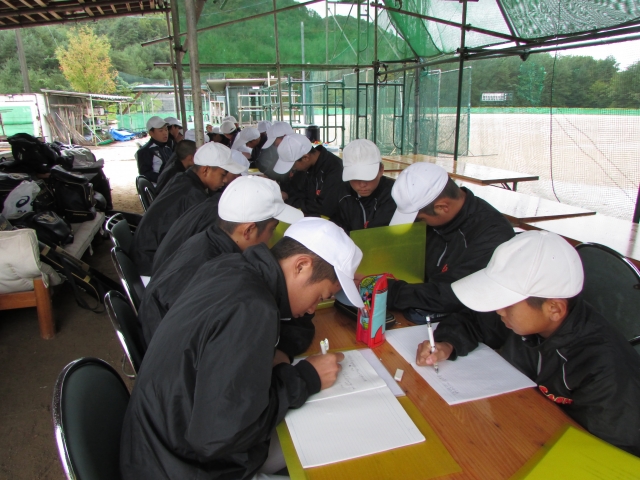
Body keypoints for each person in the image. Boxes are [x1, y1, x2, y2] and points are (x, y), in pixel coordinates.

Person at [120, 218, 364, 479]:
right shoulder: (253, 308)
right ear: (301, 265)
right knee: (330, 446)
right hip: (182, 466)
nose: (313, 309)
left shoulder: (232, 267)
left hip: (156, 445)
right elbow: (220, 435)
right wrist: (306, 378)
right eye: (321, 297)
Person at [417, 231, 640, 456]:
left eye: (507, 303)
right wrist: (447, 343)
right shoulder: (527, 317)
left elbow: (610, 453)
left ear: (554, 308)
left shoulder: (604, 370)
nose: (498, 310)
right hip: (517, 426)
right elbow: (475, 320)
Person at [138, 175, 304, 348]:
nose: (271, 238)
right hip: (165, 345)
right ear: (248, 230)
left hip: (153, 330)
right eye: (272, 229)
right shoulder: (221, 268)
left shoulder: (205, 240)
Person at [384, 162, 514, 316]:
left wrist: (388, 291)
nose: (418, 223)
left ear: (442, 207)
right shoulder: (441, 219)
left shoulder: (492, 235)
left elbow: (453, 294)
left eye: (421, 219)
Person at [130, 143, 246, 276]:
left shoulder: (181, 179)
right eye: (223, 174)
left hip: (145, 254)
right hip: (151, 266)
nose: (225, 180)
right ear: (205, 170)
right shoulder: (194, 196)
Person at [333, 139, 396, 233]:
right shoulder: (341, 194)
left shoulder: (395, 196)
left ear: (381, 170)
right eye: (355, 178)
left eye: (368, 177)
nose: (362, 185)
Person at [275, 133, 343, 219]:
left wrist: (290, 200)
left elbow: (324, 208)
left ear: (306, 158)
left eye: (293, 165)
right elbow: (300, 190)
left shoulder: (334, 171)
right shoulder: (308, 167)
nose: (293, 169)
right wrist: (286, 194)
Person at [135, 116, 173, 183]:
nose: (165, 133)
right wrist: (165, 179)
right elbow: (145, 174)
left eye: (166, 129)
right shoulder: (145, 151)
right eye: (161, 130)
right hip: (158, 187)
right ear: (151, 133)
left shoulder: (167, 148)